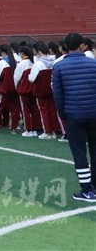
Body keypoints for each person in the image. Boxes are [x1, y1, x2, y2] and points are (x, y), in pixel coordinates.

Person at [52, 33, 96, 202]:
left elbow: (58, 94)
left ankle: (87, 189)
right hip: (93, 112)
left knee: (79, 153)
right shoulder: (93, 63)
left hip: (73, 114)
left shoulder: (59, 66)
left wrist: (62, 113)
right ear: (82, 46)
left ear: (65, 47)